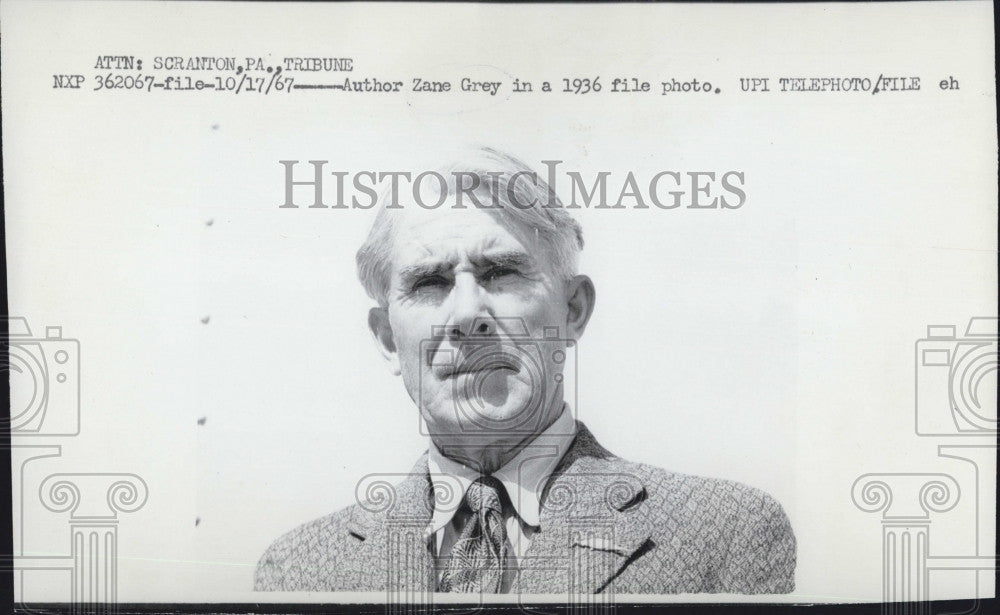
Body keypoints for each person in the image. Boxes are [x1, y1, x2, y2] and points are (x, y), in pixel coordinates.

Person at [255, 149, 796, 595]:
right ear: (388, 339)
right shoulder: (300, 573)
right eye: (429, 283)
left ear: (573, 311)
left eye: (500, 272)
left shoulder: (724, 536)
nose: (467, 315)